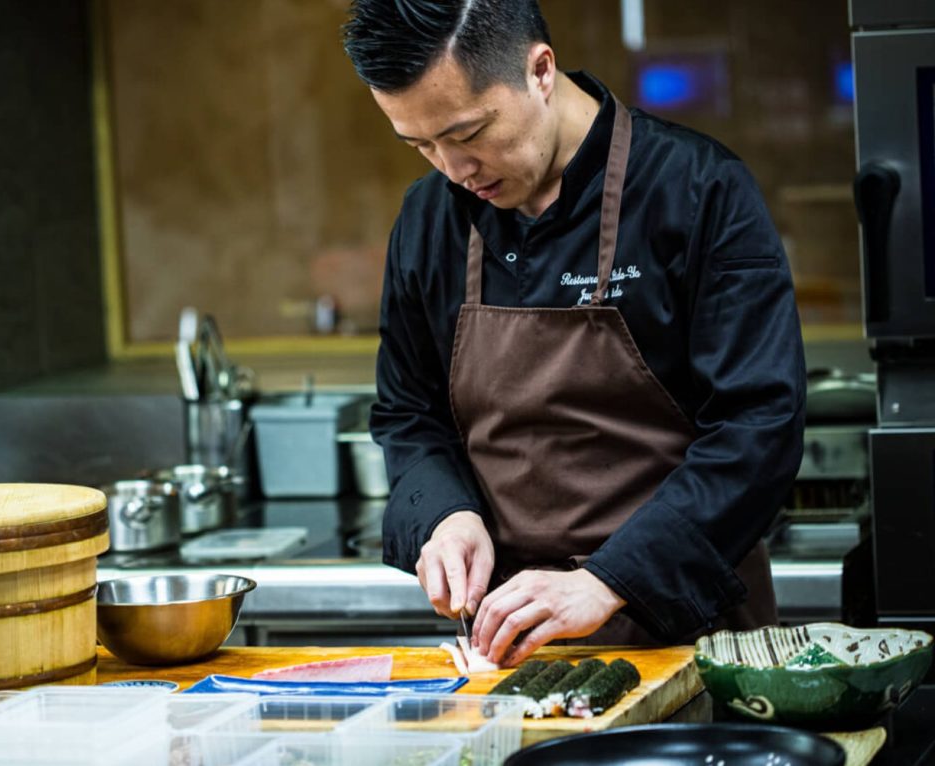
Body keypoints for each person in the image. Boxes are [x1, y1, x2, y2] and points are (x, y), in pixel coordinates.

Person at [342, 0, 806, 666]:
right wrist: (445, 516)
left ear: (540, 70)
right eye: (420, 144)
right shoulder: (429, 219)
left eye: (469, 132)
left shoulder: (697, 192)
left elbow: (757, 427)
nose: (453, 169)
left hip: (690, 636)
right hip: (508, 643)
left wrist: (609, 580)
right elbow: (409, 414)